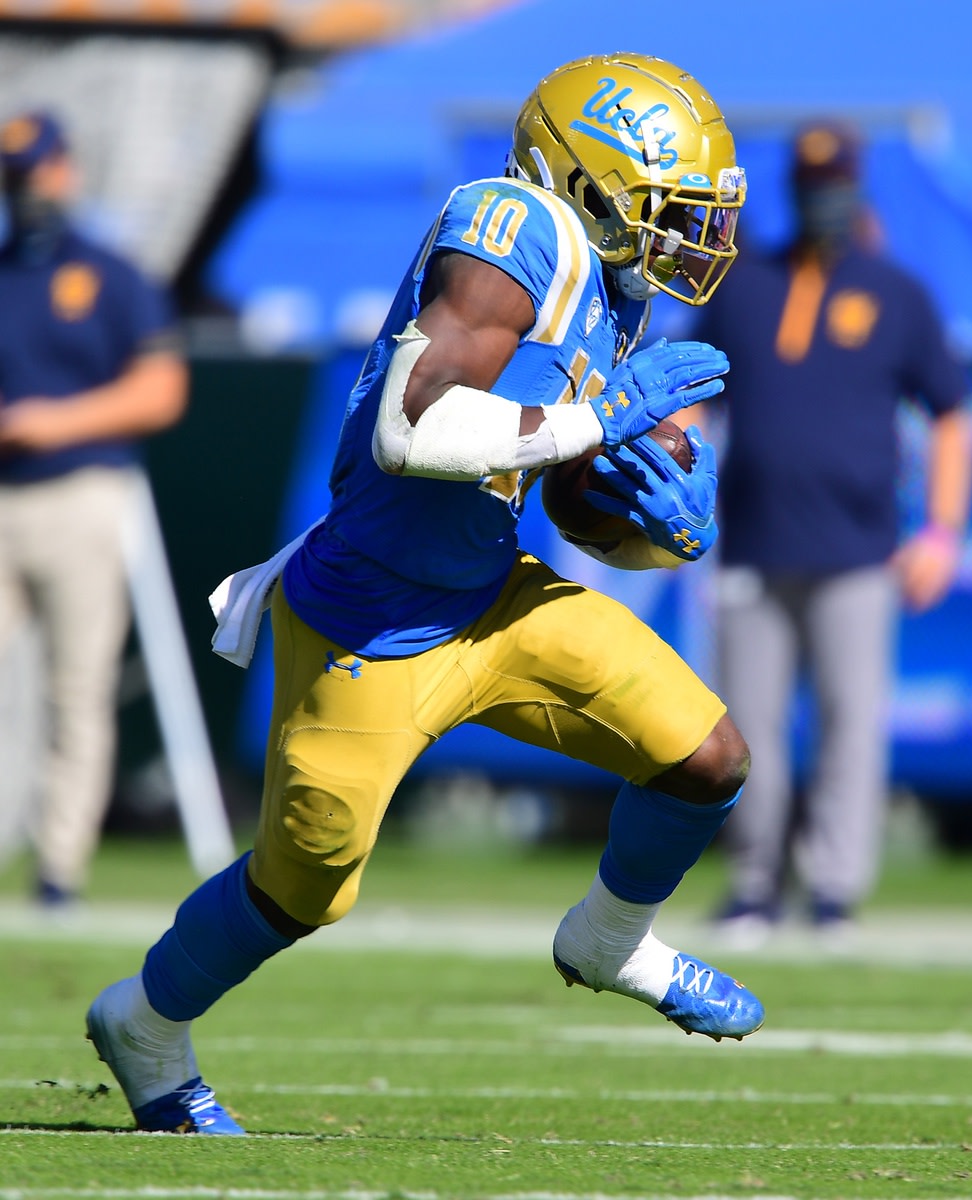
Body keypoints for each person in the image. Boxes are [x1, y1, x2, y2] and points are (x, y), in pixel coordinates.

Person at [85, 53, 764, 1137]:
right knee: (302, 888)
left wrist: (652, 521)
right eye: (667, 208)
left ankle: (610, 937)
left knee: (706, 758)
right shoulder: (513, 228)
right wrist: (597, 424)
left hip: (490, 593)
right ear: (587, 176)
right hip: (369, 621)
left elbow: (563, 483)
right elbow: (414, 429)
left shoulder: (608, 284)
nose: (685, 237)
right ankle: (144, 1023)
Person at [690, 120, 972, 946]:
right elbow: (687, 400)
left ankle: (834, 891)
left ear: (858, 187)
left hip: (857, 550)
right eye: (814, 185)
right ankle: (754, 883)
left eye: (838, 183)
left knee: (853, 721)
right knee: (747, 722)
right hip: (753, 542)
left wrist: (942, 532)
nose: (826, 200)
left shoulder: (894, 292)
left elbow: (951, 414)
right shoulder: (744, 288)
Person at [0, 111, 188, 906]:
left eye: (36, 169)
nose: (28, 186)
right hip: (6, 497)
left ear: (64, 169)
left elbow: (161, 390)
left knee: (77, 687)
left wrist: (52, 420)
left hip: (83, 491)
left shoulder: (111, 275)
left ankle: (59, 868)